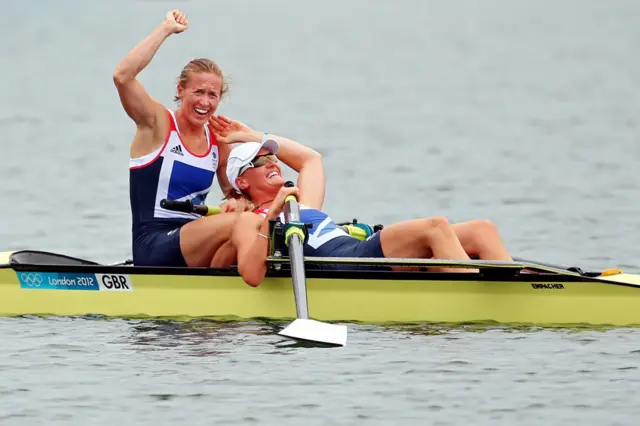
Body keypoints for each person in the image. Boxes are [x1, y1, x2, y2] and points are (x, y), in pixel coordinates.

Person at [210, 117, 513, 287]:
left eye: (273, 156)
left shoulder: (304, 203)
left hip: (356, 250)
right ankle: (477, 302)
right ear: (242, 181)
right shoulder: (254, 219)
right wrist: (273, 213)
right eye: (262, 160)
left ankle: (521, 292)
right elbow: (250, 274)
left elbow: (311, 160)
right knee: (435, 227)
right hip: (341, 266)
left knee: (481, 229)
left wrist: (254, 135)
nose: (273, 163)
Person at [113, 9, 248, 267]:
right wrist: (165, 29)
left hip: (194, 243)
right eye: (198, 92)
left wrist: (242, 202)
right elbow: (122, 76)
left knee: (256, 220)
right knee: (241, 224)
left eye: (213, 95)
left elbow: (236, 195)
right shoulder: (157, 123)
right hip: (153, 244)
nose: (205, 103)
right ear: (180, 90)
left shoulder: (218, 140)